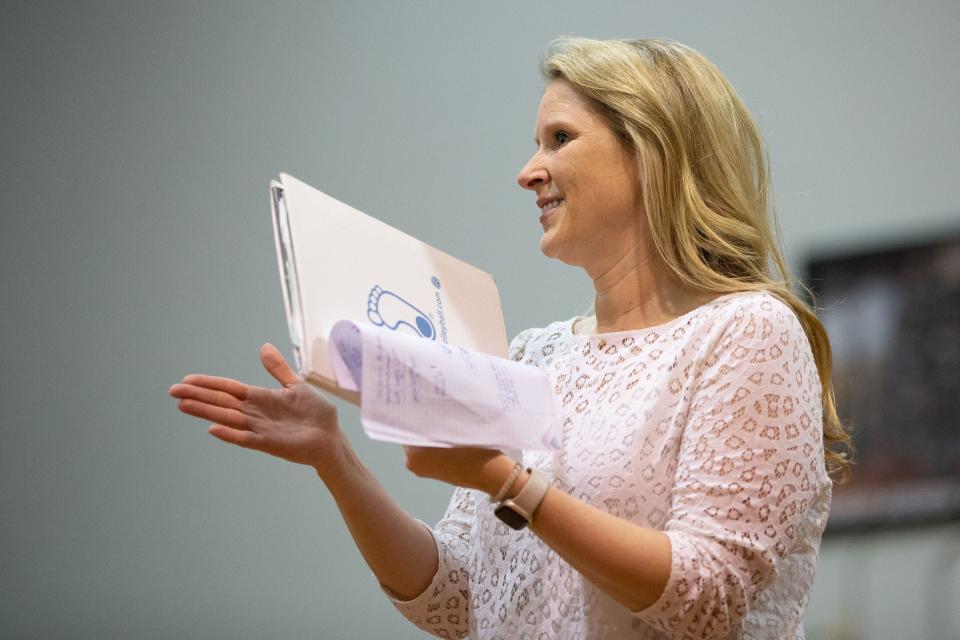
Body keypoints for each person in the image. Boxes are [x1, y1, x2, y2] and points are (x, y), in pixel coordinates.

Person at [169, 37, 852, 639]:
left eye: (559, 139)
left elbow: (709, 602)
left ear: (652, 152)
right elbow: (456, 603)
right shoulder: (534, 354)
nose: (527, 171)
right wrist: (335, 460)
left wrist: (505, 480)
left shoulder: (747, 331)